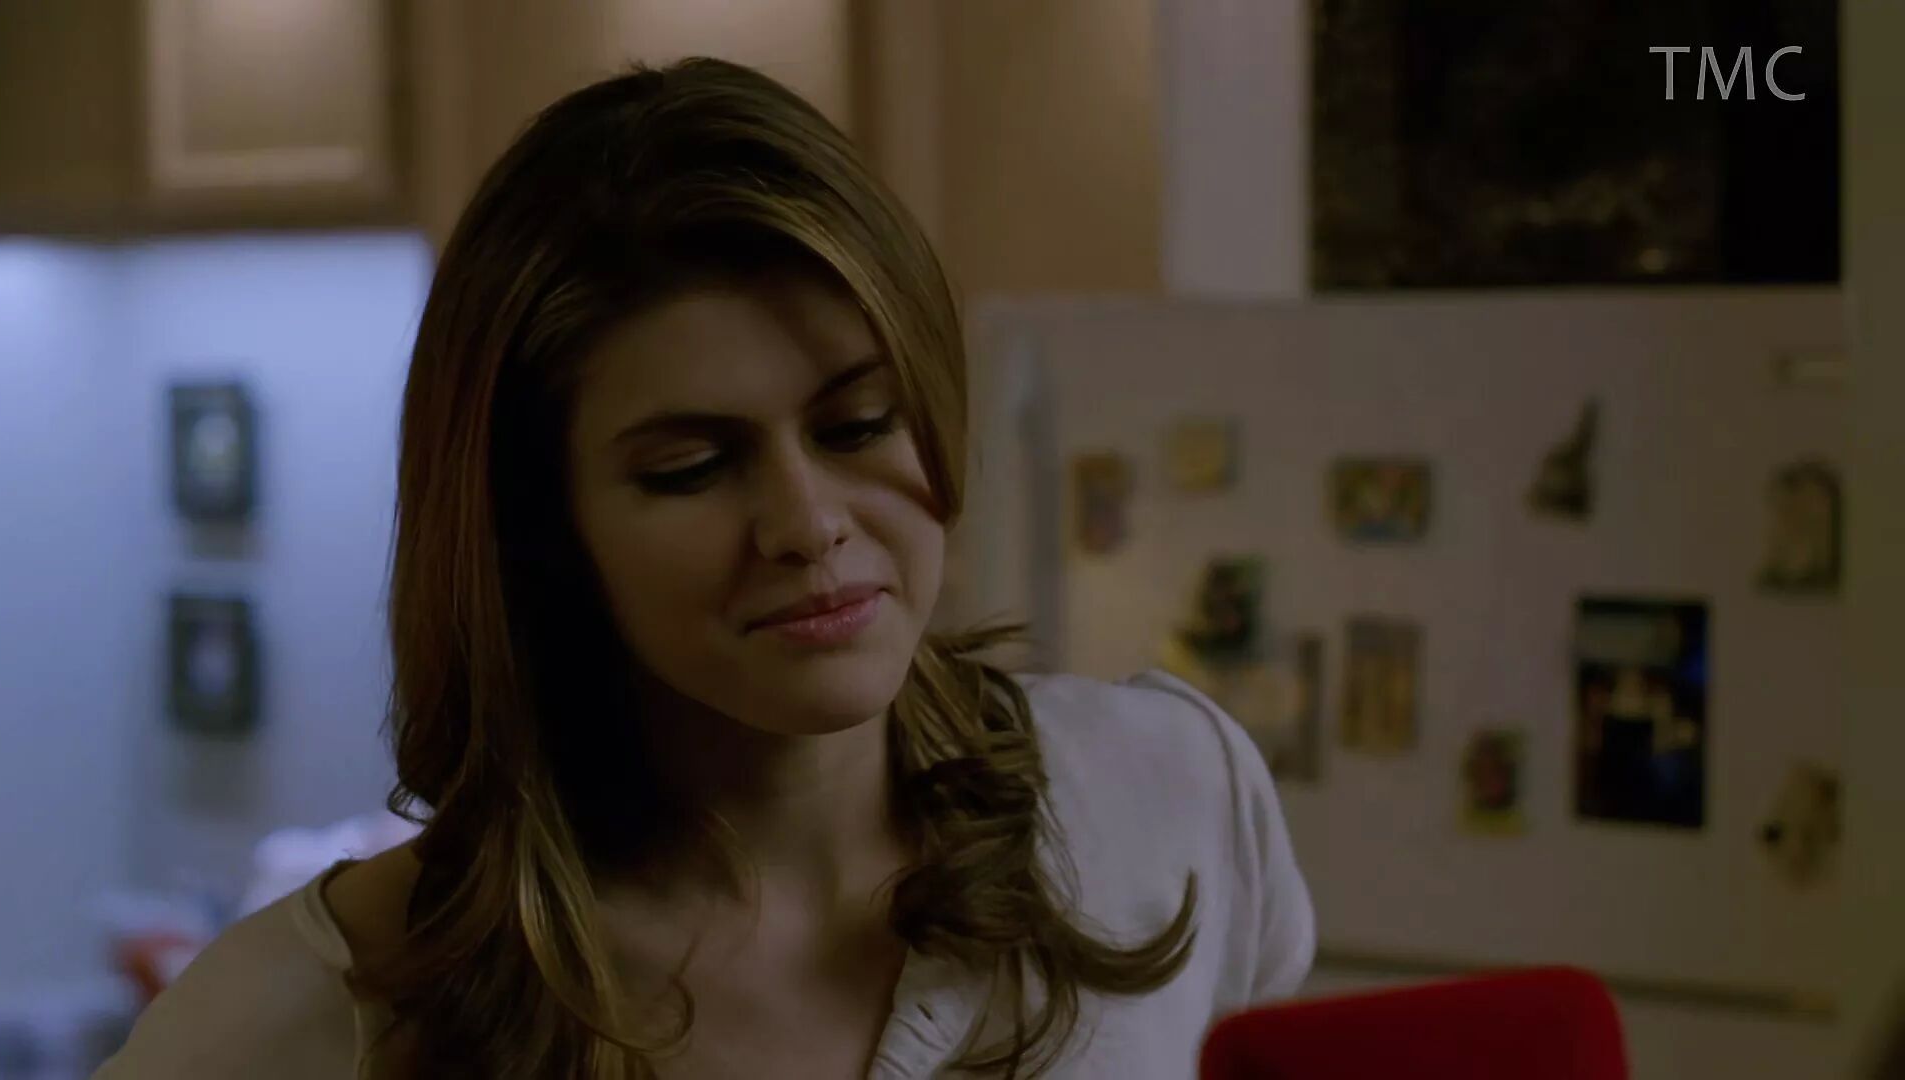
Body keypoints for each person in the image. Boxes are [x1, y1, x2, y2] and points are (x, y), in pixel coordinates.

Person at [93, 57, 1313, 1079]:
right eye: (691, 469)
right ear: (542, 526)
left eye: (858, 425)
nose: (808, 524)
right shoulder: (327, 1010)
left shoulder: (1168, 795)